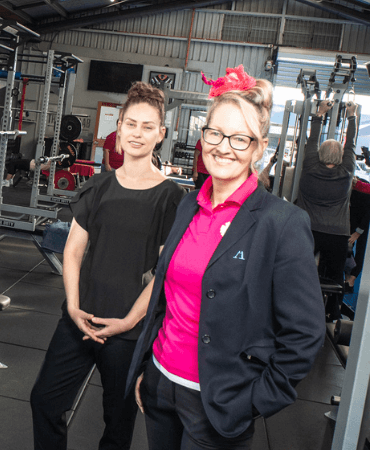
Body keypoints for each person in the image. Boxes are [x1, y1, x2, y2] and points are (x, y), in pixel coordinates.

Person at [127, 65, 325, 450]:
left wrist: (251, 401)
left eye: (240, 138)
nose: (223, 147)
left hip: (218, 405)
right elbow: (167, 298)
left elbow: (305, 334)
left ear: (259, 147)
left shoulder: (280, 224)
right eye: (215, 133)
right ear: (203, 136)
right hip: (161, 386)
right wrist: (150, 369)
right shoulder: (189, 205)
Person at [30, 82, 184, 450]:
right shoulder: (98, 187)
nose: (137, 133)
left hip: (127, 331)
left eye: (148, 127)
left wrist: (129, 321)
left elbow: (165, 273)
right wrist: (71, 306)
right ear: (120, 128)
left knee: (118, 424)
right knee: (44, 401)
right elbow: (72, 252)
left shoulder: (170, 198)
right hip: (79, 318)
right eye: (131, 124)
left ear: (160, 134)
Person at [295, 100, 358, 317]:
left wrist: (319, 113)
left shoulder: (310, 165)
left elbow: (312, 140)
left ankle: (291, 307)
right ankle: (332, 314)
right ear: (340, 157)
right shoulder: (346, 170)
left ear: (319, 154)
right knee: (335, 277)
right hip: (336, 234)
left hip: (307, 231)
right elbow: (351, 144)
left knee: (296, 273)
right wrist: (352, 116)